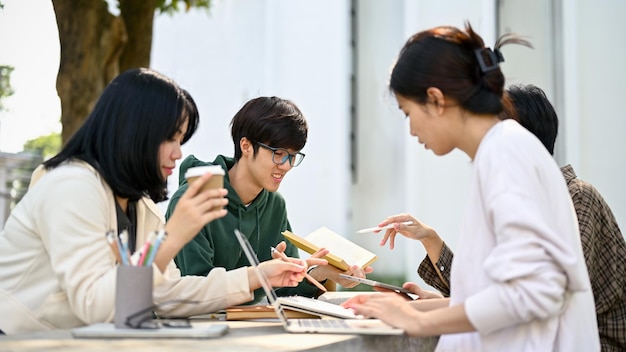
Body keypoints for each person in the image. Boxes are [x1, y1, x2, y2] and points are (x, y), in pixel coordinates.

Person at [341, 23, 599, 351]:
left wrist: (418, 321)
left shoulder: (506, 153)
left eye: (408, 113)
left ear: (435, 100)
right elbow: (499, 296)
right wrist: (407, 310)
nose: (412, 131)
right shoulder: (501, 150)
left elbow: (537, 290)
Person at [0, 68, 312, 335]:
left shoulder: (138, 205)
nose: (178, 153)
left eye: (181, 140)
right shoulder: (71, 186)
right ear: (133, 132)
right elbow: (97, 306)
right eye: (170, 138)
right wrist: (169, 239)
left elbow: (166, 295)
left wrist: (258, 275)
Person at [378, 83, 625, 351]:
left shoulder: (576, 196)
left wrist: (422, 315)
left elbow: (526, 297)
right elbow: (495, 294)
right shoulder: (520, 181)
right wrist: (431, 246)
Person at [166, 96, 371, 304]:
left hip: (250, 326)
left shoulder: (275, 205)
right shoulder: (194, 200)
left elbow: (283, 292)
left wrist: (320, 272)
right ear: (246, 146)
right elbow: (192, 290)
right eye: (278, 153)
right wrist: (260, 275)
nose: (286, 165)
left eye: (292, 156)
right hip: (198, 328)